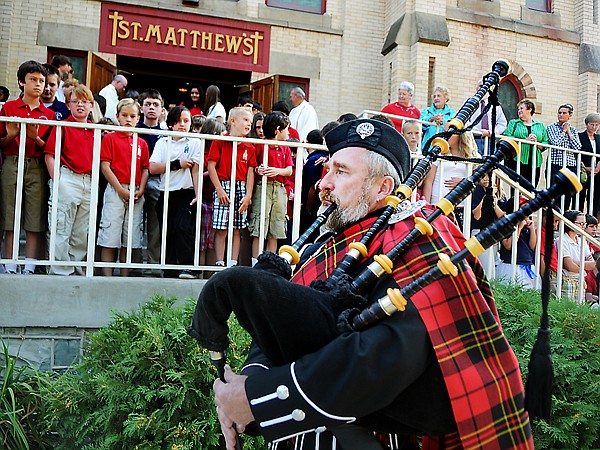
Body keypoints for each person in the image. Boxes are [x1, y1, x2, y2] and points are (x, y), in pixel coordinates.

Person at [194, 118, 533, 450]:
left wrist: (260, 398)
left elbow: (391, 353)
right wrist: (244, 386)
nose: (324, 184)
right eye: (327, 170)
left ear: (384, 187)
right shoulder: (323, 247)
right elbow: (279, 328)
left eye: (340, 172)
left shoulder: (419, 240)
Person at [0, 61, 55, 275]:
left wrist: (36, 138)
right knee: (10, 213)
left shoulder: (48, 115)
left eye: (42, 81)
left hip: (36, 166)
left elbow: (49, 148)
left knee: (35, 215)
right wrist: (12, 135)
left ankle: (30, 265)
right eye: (33, 80)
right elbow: (2, 143)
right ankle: (10, 264)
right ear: (22, 82)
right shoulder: (9, 108)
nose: (39, 85)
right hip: (12, 162)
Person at [44, 84, 95, 275]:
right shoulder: (63, 126)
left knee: (81, 230)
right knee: (61, 225)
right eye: (75, 102)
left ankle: (75, 268)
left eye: (84, 102)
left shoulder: (96, 131)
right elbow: (50, 154)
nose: (80, 105)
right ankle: (59, 270)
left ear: (91, 105)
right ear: (68, 105)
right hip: (68, 177)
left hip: (88, 181)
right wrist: (58, 180)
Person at [97, 98, 149, 277]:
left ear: (138, 118)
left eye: (133, 116)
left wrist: (141, 189)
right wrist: (120, 189)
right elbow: (105, 165)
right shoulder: (110, 138)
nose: (128, 119)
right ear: (118, 116)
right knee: (111, 232)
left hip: (135, 191)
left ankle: (125, 275)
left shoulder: (141, 142)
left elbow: (145, 168)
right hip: (115, 189)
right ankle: (107, 276)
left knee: (131, 233)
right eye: (125, 115)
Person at [149, 106, 201, 279]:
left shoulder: (194, 142)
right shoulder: (162, 142)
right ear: (171, 123)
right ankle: (169, 270)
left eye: (186, 121)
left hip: (186, 192)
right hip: (166, 192)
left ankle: (189, 267)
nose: (182, 125)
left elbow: (196, 170)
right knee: (167, 231)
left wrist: (198, 194)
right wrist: (177, 164)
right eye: (178, 121)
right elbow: (153, 167)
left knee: (183, 227)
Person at [207, 107, 256, 267]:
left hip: (241, 187)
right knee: (221, 227)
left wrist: (248, 195)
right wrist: (219, 189)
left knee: (237, 227)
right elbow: (211, 165)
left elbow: (250, 173)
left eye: (250, 121)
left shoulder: (250, 147)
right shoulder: (221, 141)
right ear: (233, 121)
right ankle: (220, 262)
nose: (249, 124)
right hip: (224, 184)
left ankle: (232, 263)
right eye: (246, 120)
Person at [248, 111, 293, 265]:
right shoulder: (261, 146)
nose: (288, 132)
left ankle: (269, 265)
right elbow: (253, 166)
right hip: (263, 187)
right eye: (286, 129)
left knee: (276, 228)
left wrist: (277, 171)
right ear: (277, 130)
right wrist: (257, 170)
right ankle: (256, 263)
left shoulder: (285, 148)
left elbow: (289, 170)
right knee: (259, 226)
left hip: (279, 188)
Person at [422, 131, 479, 229]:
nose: (446, 135)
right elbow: (429, 181)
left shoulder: (474, 156)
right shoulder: (438, 153)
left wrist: (464, 182)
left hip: (461, 205)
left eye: (451, 132)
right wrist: (426, 205)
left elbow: (479, 181)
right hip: (437, 203)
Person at [138, 89, 165, 272]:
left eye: (155, 104)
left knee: (155, 225)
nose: (151, 108)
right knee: (135, 222)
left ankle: (153, 265)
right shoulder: (134, 127)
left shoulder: (165, 133)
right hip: (134, 179)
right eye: (148, 104)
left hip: (157, 180)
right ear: (141, 107)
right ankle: (133, 264)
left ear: (162, 109)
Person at [503, 99, 548, 188]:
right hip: (517, 160)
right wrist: (524, 140)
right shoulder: (514, 123)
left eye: (521, 108)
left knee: (531, 189)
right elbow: (507, 137)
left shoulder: (540, 125)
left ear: (529, 109)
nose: (519, 111)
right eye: (518, 109)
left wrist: (537, 143)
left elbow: (545, 142)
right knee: (516, 189)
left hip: (535, 162)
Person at [495, 197, 538, 289]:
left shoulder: (527, 225)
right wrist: (518, 228)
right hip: (510, 265)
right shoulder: (504, 224)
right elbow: (508, 245)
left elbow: (532, 246)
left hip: (527, 265)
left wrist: (532, 230)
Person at [546, 103, 581, 210]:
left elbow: (577, 147)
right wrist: (564, 131)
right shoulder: (551, 127)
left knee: (567, 195)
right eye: (559, 112)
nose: (561, 115)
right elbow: (555, 143)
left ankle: (564, 219)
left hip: (570, 165)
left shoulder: (573, 130)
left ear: (570, 115)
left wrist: (569, 132)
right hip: (555, 164)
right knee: (554, 194)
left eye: (564, 113)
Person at [556, 210, 596, 303]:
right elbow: (569, 266)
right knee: (567, 309)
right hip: (567, 280)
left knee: (579, 311)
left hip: (581, 280)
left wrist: (576, 263)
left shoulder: (582, 241)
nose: (583, 226)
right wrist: (584, 265)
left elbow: (593, 264)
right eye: (581, 223)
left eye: (585, 223)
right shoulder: (562, 240)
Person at [471, 173, 504, 277]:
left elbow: (502, 217)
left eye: (489, 176)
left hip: (493, 232)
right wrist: (486, 197)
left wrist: (494, 202)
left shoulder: (501, 196)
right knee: (482, 268)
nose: (486, 179)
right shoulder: (477, 191)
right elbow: (476, 215)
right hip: (479, 231)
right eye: (483, 176)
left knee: (490, 268)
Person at [466, 78, 507, 154]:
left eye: (486, 86)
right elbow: (465, 121)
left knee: (488, 163)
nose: (483, 89)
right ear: (477, 88)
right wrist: (478, 131)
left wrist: (492, 132)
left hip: (490, 140)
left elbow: (502, 124)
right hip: (473, 138)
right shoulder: (470, 104)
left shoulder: (495, 106)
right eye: (481, 86)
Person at [300, 128, 329, 233]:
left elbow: (311, 186)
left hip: (313, 206)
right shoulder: (325, 157)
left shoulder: (313, 160)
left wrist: (307, 210)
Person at [577, 112, 600, 214]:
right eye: (592, 124)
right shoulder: (580, 136)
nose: (594, 127)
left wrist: (597, 168)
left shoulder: (599, 138)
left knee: (595, 197)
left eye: (596, 125)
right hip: (583, 171)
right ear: (587, 124)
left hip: (597, 172)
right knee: (580, 196)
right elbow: (577, 152)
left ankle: (592, 220)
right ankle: (578, 218)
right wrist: (585, 167)